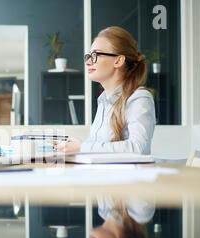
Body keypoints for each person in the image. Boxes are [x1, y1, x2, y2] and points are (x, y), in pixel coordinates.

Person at [55, 26, 156, 155]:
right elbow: (96, 146)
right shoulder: (104, 101)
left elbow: (138, 148)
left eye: (95, 55)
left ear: (118, 60)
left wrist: (83, 148)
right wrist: (72, 148)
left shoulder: (139, 98)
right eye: (89, 56)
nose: (88, 62)